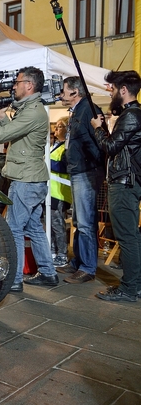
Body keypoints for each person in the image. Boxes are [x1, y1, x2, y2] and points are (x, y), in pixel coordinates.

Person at [0, 66, 57, 292]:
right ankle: (48, 273)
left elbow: (0, 136)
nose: (14, 86)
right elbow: (13, 132)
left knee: (13, 228)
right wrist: (3, 116)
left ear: (29, 85)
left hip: (26, 180)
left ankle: (13, 280)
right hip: (31, 178)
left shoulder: (33, 111)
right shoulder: (31, 109)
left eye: (18, 82)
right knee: (33, 228)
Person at [91, 70, 141, 302]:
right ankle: (134, 285)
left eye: (111, 88)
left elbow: (111, 147)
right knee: (131, 235)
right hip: (127, 181)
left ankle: (130, 288)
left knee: (127, 236)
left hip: (124, 183)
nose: (109, 92)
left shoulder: (132, 116)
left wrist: (98, 129)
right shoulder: (131, 114)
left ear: (123, 90)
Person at [57, 76, 105, 284]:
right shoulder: (79, 110)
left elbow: (99, 142)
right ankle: (78, 261)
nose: (60, 94)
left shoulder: (89, 110)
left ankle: (87, 267)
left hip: (86, 171)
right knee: (78, 220)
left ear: (75, 92)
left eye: (63, 90)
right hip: (79, 170)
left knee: (85, 222)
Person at [50, 117, 72, 268]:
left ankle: (62, 254)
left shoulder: (67, 147)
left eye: (58, 127)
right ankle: (52, 251)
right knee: (51, 223)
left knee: (57, 224)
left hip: (59, 191)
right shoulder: (57, 145)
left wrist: (46, 161)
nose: (55, 130)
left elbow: (64, 166)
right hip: (51, 191)